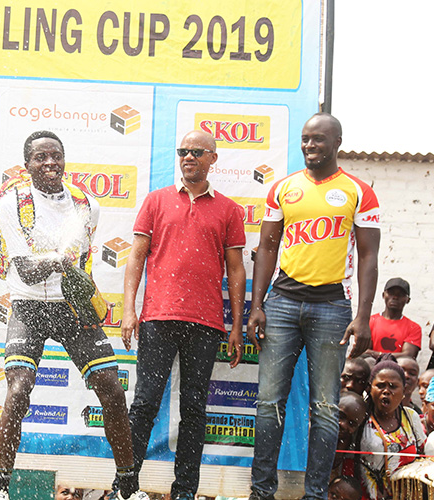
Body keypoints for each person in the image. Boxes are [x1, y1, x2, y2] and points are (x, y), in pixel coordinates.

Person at [0, 131, 145, 500]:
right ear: (27, 165)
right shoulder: (11, 203)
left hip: (71, 307)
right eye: (40, 157)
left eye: (55, 156)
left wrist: (58, 262)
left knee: (111, 386)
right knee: (19, 387)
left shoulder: (86, 202)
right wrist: (58, 259)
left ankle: (128, 488)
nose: (50, 164)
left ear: (64, 159)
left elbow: (74, 260)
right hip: (28, 304)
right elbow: (26, 271)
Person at [247, 113, 381, 500]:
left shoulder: (359, 192)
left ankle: (315, 493)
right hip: (283, 303)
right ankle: (261, 492)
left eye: (318, 139)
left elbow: (369, 258)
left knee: (324, 408)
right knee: (269, 401)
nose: (309, 146)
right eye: (305, 139)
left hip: (332, 308)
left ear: (337, 142)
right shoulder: (283, 188)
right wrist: (258, 305)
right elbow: (267, 248)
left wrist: (362, 316)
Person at [118, 130, 246, 500]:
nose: (188, 157)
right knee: (144, 403)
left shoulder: (229, 210)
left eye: (197, 152)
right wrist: (129, 310)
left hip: (205, 324)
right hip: (157, 317)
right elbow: (136, 258)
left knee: (194, 409)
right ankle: (125, 487)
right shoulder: (156, 200)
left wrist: (236, 326)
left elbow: (236, 270)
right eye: (183, 151)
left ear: (213, 159)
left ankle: (185, 492)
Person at [358, 357, 426, 500]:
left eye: (393, 386)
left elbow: (424, 454)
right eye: (380, 386)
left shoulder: (411, 416)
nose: (386, 391)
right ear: (370, 389)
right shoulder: (362, 420)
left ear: (404, 391)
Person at [364, 278, 421, 358]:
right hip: (372, 366)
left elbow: (408, 355)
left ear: (407, 300)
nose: (395, 297)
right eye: (391, 293)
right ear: (383, 295)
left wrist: (378, 354)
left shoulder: (414, 328)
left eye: (400, 294)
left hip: (399, 368)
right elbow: (364, 352)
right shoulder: (369, 321)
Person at [331, 391, 366, 481]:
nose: (342, 424)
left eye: (351, 424)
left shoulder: (346, 442)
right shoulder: (308, 431)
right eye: (339, 415)